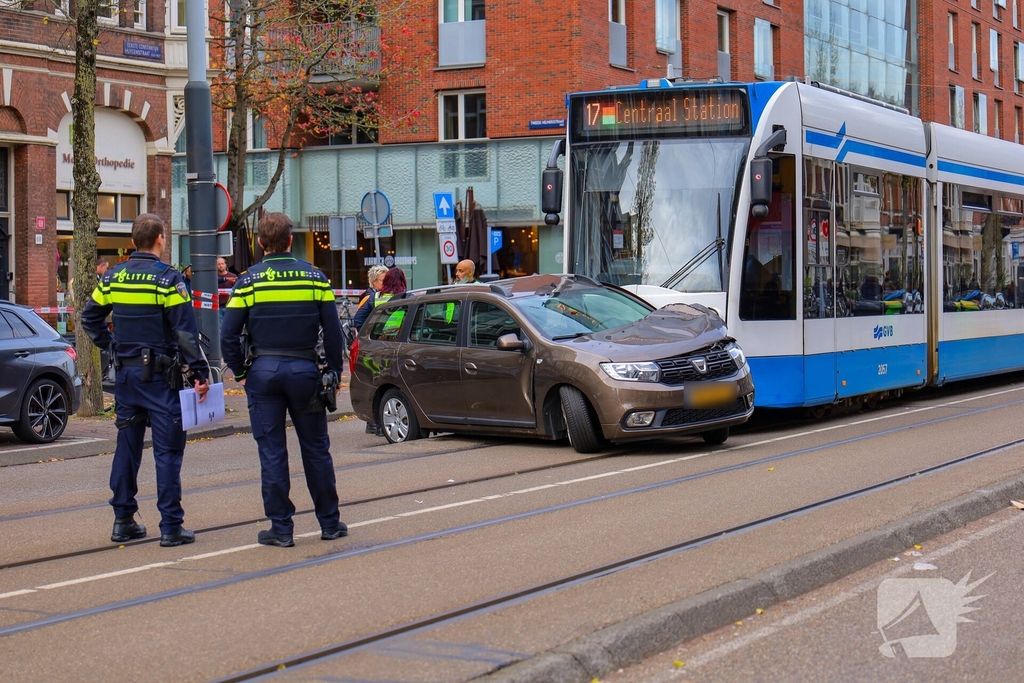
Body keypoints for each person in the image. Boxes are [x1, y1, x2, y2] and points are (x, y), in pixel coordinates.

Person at [81, 213, 211, 548]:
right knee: (167, 452)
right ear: (160, 239)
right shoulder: (168, 280)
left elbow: (89, 316)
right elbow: (184, 333)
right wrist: (200, 373)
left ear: (133, 242)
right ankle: (170, 526)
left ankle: (123, 520)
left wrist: (109, 346)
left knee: (127, 447)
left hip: (126, 378)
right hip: (161, 380)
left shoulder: (113, 277)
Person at [220, 212, 347, 548]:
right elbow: (334, 333)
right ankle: (330, 524)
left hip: (263, 373)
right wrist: (334, 370)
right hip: (305, 371)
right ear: (290, 240)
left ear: (260, 243)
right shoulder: (314, 278)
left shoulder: (247, 281)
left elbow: (228, 333)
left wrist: (242, 373)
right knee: (316, 450)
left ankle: (281, 529)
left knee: (273, 452)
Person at [360, 267, 407, 435]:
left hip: (376, 346)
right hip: (396, 346)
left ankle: (375, 424)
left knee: (376, 382)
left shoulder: (375, 298)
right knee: (392, 383)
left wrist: (369, 335)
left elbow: (358, 320)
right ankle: (384, 423)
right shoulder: (406, 297)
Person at [351, 264, 388, 332]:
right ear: (373, 281)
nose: (386, 283)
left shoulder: (383, 294)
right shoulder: (368, 297)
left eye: (387, 280)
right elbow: (359, 319)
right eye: (383, 280)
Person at [217, 257, 238, 321]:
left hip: (230, 307)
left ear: (225, 265)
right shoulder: (213, 277)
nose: (221, 266)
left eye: (222, 264)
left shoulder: (233, 276)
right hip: (218, 307)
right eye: (219, 264)